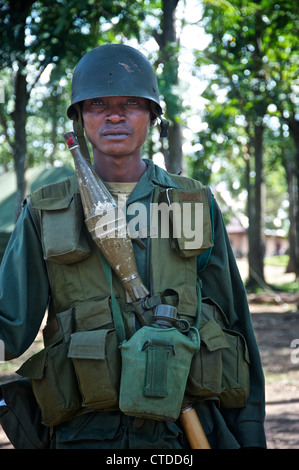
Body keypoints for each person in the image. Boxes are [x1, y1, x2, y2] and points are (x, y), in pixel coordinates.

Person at [0, 43, 266, 449]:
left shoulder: (193, 202)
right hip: (85, 434)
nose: (115, 115)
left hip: (185, 431)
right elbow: (10, 325)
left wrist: (249, 434)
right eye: (97, 104)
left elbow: (235, 325)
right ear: (80, 118)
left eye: (132, 103)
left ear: (153, 116)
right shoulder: (44, 210)